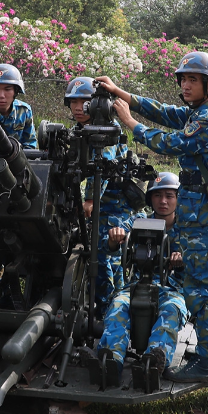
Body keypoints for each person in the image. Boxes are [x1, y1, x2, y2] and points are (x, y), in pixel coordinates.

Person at [96, 50, 208, 384]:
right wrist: (120, 93)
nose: (186, 85)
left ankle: (204, 364)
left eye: (193, 80)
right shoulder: (196, 111)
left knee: (203, 289)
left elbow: (170, 143)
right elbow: (164, 111)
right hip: (198, 211)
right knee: (205, 285)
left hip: (206, 216)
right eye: (183, 79)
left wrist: (130, 123)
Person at [93, 172, 187, 375]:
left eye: (169, 196)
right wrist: (113, 238)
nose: (163, 201)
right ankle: (110, 361)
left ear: (178, 199)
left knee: (171, 310)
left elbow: (198, 262)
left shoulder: (187, 230)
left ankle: (154, 361)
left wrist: (182, 260)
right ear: (150, 199)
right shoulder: (137, 222)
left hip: (171, 289)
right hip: (135, 286)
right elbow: (111, 244)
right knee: (118, 306)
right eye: (157, 196)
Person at [65, 76, 136, 310]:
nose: (78, 107)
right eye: (73, 102)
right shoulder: (77, 131)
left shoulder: (108, 131)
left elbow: (102, 169)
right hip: (90, 207)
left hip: (115, 208)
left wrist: (89, 200)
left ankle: (110, 310)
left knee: (103, 252)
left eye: (84, 101)